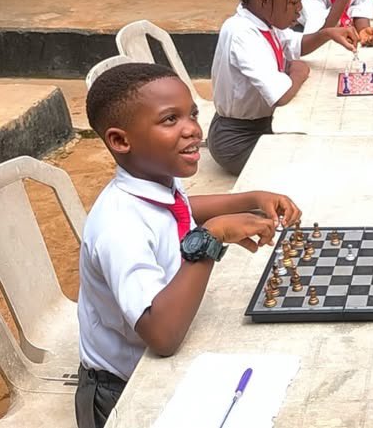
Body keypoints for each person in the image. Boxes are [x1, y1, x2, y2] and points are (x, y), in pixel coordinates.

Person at [77, 63, 303, 428]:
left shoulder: (152, 182)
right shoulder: (119, 226)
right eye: (170, 120)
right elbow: (162, 335)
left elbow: (180, 210)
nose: (193, 129)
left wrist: (250, 197)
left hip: (160, 365)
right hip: (122, 396)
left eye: (193, 114)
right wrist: (212, 238)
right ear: (120, 141)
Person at [208, 0, 360, 175]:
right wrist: (297, 74)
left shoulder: (265, 22)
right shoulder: (242, 33)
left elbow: (296, 45)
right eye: (292, 2)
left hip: (260, 125)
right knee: (311, 163)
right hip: (237, 140)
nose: (299, 9)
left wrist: (327, 33)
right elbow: (280, 95)